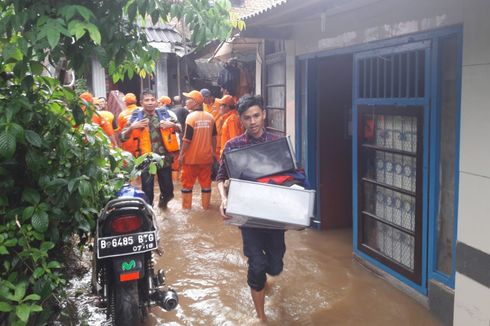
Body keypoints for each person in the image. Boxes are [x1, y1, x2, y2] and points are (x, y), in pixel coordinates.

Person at [216, 95, 285, 324]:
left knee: (274, 267)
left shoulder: (278, 142)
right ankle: (261, 317)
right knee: (256, 265)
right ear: (241, 120)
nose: (253, 121)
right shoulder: (233, 146)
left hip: (274, 216)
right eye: (247, 118)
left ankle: (267, 277)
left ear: (263, 114)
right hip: (247, 216)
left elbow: (293, 178)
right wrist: (224, 199)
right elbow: (220, 177)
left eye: (256, 115)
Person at [120, 90, 181, 208]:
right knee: (147, 194)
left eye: (152, 100)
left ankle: (163, 206)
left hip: (164, 158)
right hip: (145, 159)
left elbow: (180, 128)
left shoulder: (164, 114)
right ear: (141, 102)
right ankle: (150, 215)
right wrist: (132, 127)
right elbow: (122, 137)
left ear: (156, 102)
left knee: (169, 192)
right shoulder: (135, 117)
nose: (150, 102)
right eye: (147, 100)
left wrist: (172, 125)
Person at [179, 90, 217, 209]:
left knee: (187, 186)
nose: (186, 101)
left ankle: (186, 211)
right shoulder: (210, 117)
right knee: (206, 185)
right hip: (206, 158)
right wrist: (213, 152)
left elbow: (187, 140)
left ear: (195, 102)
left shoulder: (190, 117)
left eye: (188, 99)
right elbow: (214, 137)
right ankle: (206, 208)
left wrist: (181, 155)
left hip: (191, 159)